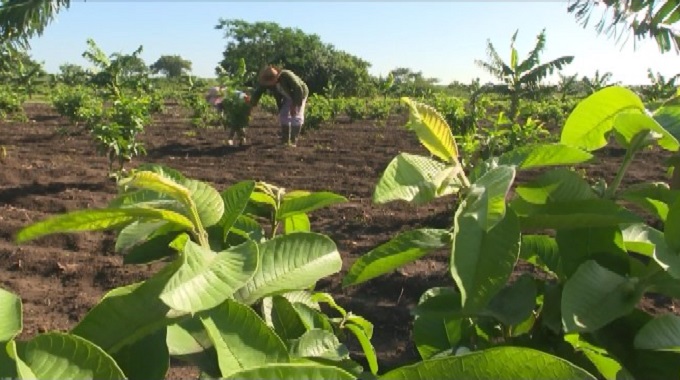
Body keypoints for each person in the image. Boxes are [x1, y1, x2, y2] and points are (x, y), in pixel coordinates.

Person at [249, 66, 309, 147]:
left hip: (299, 94)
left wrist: (294, 105)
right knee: (283, 114)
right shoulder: (267, 82)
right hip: (287, 96)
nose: (268, 85)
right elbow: (258, 92)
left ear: (275, 78)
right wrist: (251, 103)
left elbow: (298, 89)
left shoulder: (287, 75)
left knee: (296, 115)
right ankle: (285, 140)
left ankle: (293, 141)